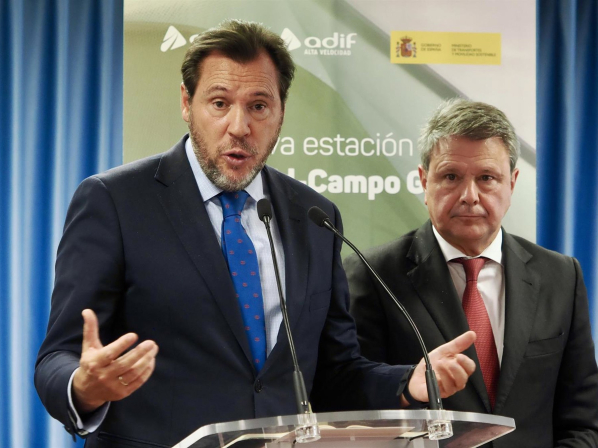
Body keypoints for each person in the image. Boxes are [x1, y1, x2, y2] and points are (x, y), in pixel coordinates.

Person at [35, 21, 477, 448]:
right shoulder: (115, 201)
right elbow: (58, 357)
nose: (239, 126)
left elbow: (335, 372)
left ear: (281, 111)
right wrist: (83, 386)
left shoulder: (315, 216)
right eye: (219, 103)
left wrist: (408, 382)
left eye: (259, 106)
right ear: (187, 103)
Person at [346, 98, 598, 447]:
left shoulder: (561, 276)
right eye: (451, 176)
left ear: (512, 183)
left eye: (487, 178)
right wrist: (408, 386)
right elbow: (351, 403)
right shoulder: (372, 274)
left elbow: (583, 422)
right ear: (424, 181)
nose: (469, 196)